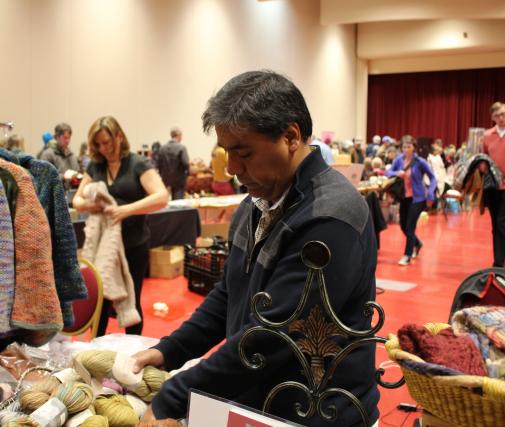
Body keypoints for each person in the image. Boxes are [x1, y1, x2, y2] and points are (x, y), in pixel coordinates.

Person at [132, 70, 379, 426]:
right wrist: (169, 350)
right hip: (260, 401)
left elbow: (272, 337)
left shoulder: (330, 218)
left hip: (316, 412)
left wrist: (175, 397)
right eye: (226, 153)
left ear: (290, 136)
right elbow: (229, 294)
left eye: (243, 153)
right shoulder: (258, 202)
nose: (232, 168)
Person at [72, 116, 168, 335]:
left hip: (133, 245)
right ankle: (95, 352)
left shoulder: (137, 164)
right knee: (100, 303)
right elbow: (77, 201)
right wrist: (90, 205)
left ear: (119, 136)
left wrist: (125, 210)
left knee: (130, 301)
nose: (103, 148)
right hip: (103, 250)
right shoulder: (96, 166)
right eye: (98, 144)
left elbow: (162, 197)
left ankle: (134, 356)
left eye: (106, 142)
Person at [386, 136, 436, 266]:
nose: (406, 149)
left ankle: (407, 255)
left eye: (409, 147)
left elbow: (432, 177)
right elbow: (388, 172)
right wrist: (397, 173)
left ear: (413, 147)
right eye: (404, 147)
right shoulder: (398, 160)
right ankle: (417, 243)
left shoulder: (420, 162)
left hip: (418, 199)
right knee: (403, 226)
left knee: (409, 227)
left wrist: (430, 193)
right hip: (404, 198)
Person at [482, 102, 505, 267]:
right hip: (493, 185)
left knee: (502, 222)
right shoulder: (487, 135)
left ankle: (499, 263)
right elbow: (483, 157)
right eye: (497, 116)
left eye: (503, 114)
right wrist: (482, 166)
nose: (501, 118)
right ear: (492, 118)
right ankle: (500, 258)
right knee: (496, 225)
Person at [156, 127, 190, 200]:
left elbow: (158, 164)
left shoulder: (162, 148)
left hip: (165, 179)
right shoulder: (181, 147)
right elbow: (186, 163)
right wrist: (187, 174)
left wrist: (162, 175)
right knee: (178, 202)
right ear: (178, 135)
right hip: (178, 180)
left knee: (165, 201)